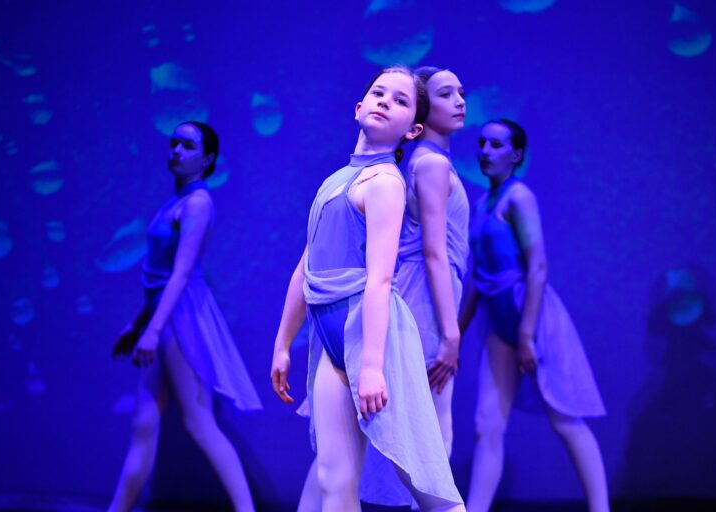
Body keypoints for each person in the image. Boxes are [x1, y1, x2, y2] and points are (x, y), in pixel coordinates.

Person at [270, 67, 465, 512]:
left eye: (399, 101)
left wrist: (373, 365)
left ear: (413, 129)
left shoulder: (386, 183)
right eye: (378, 93)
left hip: (375, 339)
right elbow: (306, 268)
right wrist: (283, 342)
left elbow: (380, 277)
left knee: (425, 481)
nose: (383, 102)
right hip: (332, 343)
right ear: (358, 107)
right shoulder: (333, 183)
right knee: (334, 479)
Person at [109, 121, 262, 512]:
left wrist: (153, 329)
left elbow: (180, 272)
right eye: (174, 143)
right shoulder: (176, 202)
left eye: (187, 146)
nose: (176, 150)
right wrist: (137, 323)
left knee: (199, 420)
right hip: (163, 316)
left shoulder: (197, 203)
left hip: (181, 320)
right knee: (143, 422)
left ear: (207, 158)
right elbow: (157, 277)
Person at [459, 119, 609, 512]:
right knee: (485, 425)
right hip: (498, 323)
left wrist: (527, 334)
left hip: (533, 316)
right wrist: (454, 333)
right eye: (481, 144)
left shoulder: (519, 197)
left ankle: (600, 507)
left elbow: (538, 266)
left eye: (496, 145)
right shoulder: (480, 205)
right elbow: (477, 275)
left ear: (517, 155)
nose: (485, 151)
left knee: (564, 418)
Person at [359, 66, 470, 508]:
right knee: (431, 424)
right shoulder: (432, 163)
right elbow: (434, 252)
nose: (460, 101)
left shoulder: (424, 162)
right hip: (424, 297)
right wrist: (451, 332)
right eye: (446, 94)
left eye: (462, 92)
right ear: (424, 110)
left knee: (417, 421)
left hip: (427, 294)